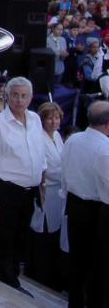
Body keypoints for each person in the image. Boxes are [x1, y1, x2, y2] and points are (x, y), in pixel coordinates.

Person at [0, 77, 47, 295]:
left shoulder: (35, 119)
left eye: (24, 95)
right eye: (15, 95)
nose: (19, 100)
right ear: (7, 96)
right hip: (7, 191)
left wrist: (42, 184)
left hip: (29, 192)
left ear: (31, 97)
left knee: (21, 239)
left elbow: (39, 153)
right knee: (3, 241)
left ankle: (13, 282)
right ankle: (6, 284)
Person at [61, 100, 109, 308]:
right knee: (96, 265)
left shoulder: (73, 140)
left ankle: (76, 303)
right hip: (95, 210)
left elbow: (64, 170)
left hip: (74, 204)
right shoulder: (104, 147)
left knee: (77, 260)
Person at [26, 102, 66, 291]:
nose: (54, 122)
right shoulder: (39, 138)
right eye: (50, 118)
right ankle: (38, 274)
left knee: (54, 235)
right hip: (46, 190)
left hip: (58, 193)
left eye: (56, 118)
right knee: (42, 234)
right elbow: (45, 168)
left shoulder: (57, 136)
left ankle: (51, 275)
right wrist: (66, 173)